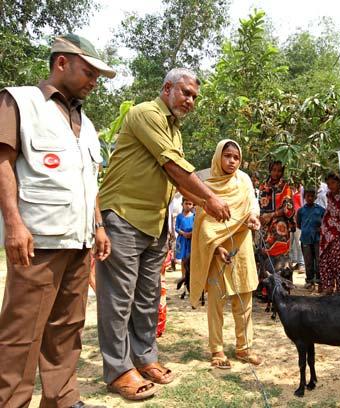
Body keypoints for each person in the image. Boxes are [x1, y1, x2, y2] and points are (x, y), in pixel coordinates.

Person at [96, 68, 230, 401]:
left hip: (155, 224)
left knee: (146, 298)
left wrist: (205, 203)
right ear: (167, 88)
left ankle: (144, 358)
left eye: (195, 96)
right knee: (119, 299)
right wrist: (210, 198)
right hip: (124, 216)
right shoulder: (146, 114)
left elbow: (178, 181)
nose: (191, 101)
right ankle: (118, 370)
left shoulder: (175, 131)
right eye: (186, 92)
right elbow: (173, 167)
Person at [0, 34, 114, 407]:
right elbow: (3, 163)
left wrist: (98, 225)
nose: (95, 81)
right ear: (62, 62)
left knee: (67, 328)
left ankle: (62, 398)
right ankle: (11, 401)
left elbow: (88, 179)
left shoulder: (88, 123)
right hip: (39, 241)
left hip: (79, 244)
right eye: (89, 71)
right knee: (21, 333)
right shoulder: (20, 102)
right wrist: (14, 224)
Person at [190, 139, 262, 369]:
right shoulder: (206, 183)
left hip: (241, 247)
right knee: (216, 302)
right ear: (218, 156)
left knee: (245, 300)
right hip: (216, 249)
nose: (232, 161)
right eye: (227, 156)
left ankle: (244, 347)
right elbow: (202, 220)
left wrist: (253, 217)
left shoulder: (244, 180)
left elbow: (252, 205)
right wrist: (216, 247)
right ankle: (217, 350)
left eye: (236, 157)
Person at [258, 161, 295, 271]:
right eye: (274, 170)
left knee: (280, 260)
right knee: (264, 255)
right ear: (270, 170)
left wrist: (272, 215)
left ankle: (282, 286)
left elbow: (288, 208)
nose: (276, 173)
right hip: (265, 227)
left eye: (279, 170)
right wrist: (261, 218)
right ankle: (266, 285)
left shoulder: (286, 187)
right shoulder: (263, 187)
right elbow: (258, 205)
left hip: (280, 230)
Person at [319, 172, 340, 294]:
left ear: (339, 182)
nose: (330, 186)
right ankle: (327, 287)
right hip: (326, 232)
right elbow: (328, 212)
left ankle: (339, 289)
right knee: (324, 260)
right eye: (328, 184)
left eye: (333, 183)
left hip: (339, 232)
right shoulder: (328, 195)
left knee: (336, 261)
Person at [296, 188, 325, 290]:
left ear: (315, 197)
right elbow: (298, 224)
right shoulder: (301, 211)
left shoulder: (320, 210)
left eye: (312, 196)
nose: (309, 198)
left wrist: (319, 229)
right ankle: (309, 280)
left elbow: (325, 223)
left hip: (317, 239)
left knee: (318, 260)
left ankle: (319, 280)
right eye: (307, 196)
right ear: (304, 197)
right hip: (305, 238)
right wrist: (307, 229)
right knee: (308, 261)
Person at [175, 198, 195, 279]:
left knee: (191, 258)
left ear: (193, 205)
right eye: (186, 203)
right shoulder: (179, 216)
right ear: (182, 204)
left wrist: (191, 233)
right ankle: (183, 276)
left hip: (191, 240)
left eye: (190, 204)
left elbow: (196, 228)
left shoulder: (194, 216)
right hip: (182, 240)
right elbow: (176, 228)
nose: (188, 206)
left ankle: (190, 277)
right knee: (183, 259)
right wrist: (183, 233)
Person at [289, 183, 305, 272]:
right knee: (290, 243)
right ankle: (291, 262)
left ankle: (301, 263)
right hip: (291, 221)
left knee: (299, 243)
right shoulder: (293, 195)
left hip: (298, 221)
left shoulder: (301, 195)